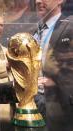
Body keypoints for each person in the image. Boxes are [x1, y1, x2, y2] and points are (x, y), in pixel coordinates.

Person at [34, 0, 73, 130]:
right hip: (35, 102)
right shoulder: (35, 30)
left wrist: (56, 81)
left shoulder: (70, 25)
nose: (38, 1)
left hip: (61, 106)